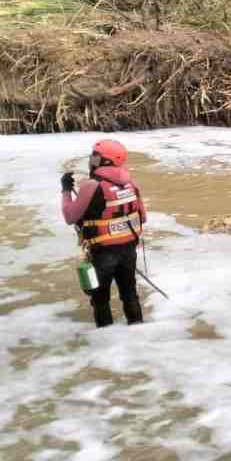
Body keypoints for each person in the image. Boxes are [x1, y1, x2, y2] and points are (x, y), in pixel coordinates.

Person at [61, 139, 148, 328]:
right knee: (130, 294)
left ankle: (105, 339)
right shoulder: (131, 184)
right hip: (128, 250)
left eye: (95, 155)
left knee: (100, 299)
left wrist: (66, 191)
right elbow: (143, 217)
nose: (91, 159)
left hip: (103, 252)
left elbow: (69, 216)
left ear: (106, 161)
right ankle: (138, 331)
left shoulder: (91, 185)